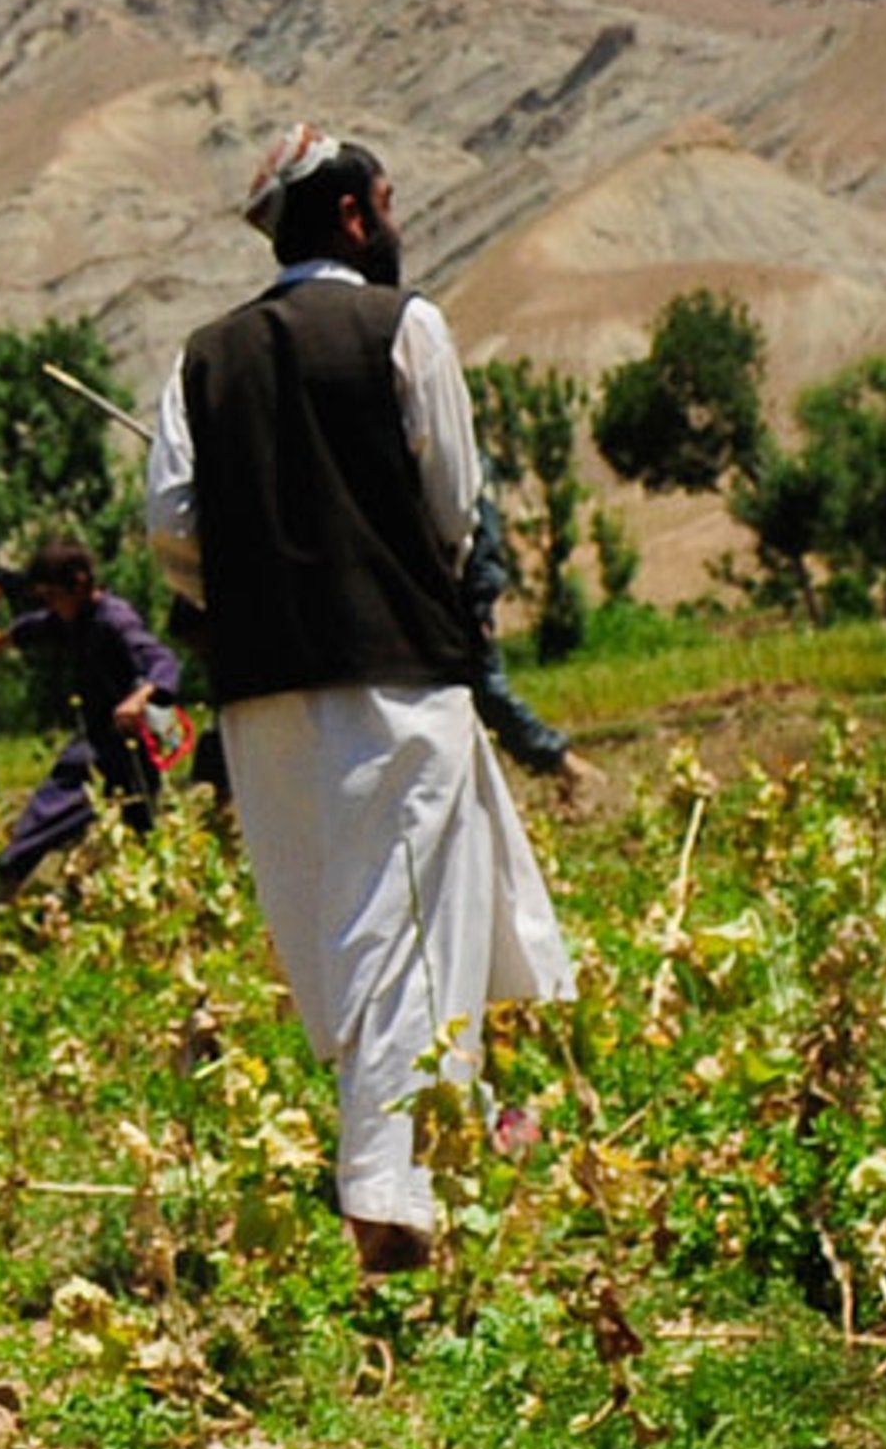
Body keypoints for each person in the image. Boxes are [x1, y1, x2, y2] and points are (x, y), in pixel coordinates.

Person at [144, 130, 575, 1276]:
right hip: (395, 677)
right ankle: (391, 1205)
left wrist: (252, 586)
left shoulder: (198, 360)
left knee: (340, 935)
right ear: (347, 216)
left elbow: (171, 531)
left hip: (260, 704)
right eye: (384, 205)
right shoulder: (406, 328)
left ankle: (445, 1145)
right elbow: (450, 505)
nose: (392, 225)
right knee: (404, 928)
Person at [0, 536, 183, 896]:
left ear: (79, 585)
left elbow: (163, 661)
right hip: (105, 732)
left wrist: (140, 698)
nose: (50, 606)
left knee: (76, 795)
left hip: (131, 735)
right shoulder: (73, 616)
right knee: (116, 811)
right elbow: (40, 626)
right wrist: (4, 639)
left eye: (52, 596)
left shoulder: (114, 620)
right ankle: (10, 873)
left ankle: (8, 876)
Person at [451, 486, 576, 780]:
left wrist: (477, 604)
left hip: (461, 603)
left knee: (487, 687)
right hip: (463, 597)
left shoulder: (473, 472)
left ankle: (560, 762)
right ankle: (557, 761)